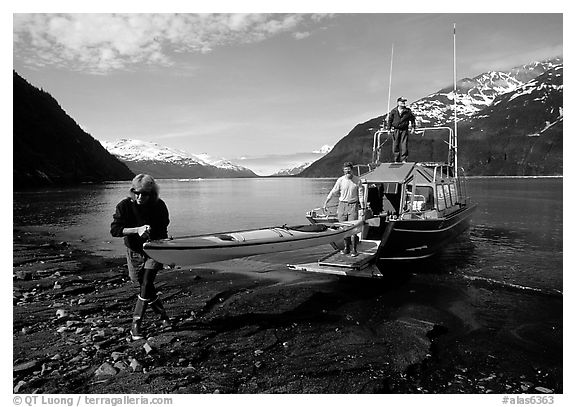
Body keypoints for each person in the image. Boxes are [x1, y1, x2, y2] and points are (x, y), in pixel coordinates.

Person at [110, 174, 171, 340]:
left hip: (154, 250)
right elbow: (115, 230)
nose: (140, 197)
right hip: (134, 250)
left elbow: (163, 230)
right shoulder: (124, 206)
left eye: (144, 194)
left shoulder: (160, 206)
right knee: (141, 283)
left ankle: (135, 324)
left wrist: (169, 253)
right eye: (136, 192)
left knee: (146, 282)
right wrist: (136, 230)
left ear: (152, 194)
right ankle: (163, 317)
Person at [323, 162, 365, 257]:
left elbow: (361, 195)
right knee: (343, 228)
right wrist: (326, 202)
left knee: (353, 228)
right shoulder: (340, 180)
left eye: (349, 170)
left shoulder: (357, 180)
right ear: (343, 171)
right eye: (345, 170)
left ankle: (354, 249)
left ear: (352, 170)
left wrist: (362, 207)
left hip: (353, 205)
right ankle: (346, 248)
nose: (347, 171)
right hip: (342, 205)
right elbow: (333, 191)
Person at [387, 97, 417, 163]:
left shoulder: (407, 111)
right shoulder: (394, 111)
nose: (403, 103)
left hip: (404, 129)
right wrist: (388, 129)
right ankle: (396, 160)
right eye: (402, 102)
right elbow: (390, 120)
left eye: (404, 102)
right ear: (398, 103)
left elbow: (412, 119)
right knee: (395, 145)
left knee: (404, 145)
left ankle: (404, 159)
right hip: (396, 130)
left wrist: (413, 127)